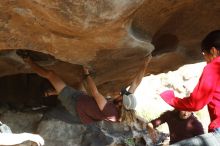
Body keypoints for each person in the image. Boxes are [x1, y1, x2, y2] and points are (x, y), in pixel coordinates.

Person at [18, 50, 151, 125]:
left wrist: (86, 72)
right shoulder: (125, 106)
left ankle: (27, 59)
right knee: (79, 86)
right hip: (85, 105)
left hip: (76, 106)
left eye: (121, 95)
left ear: (120, 103)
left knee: (51, 75)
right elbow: (136, 83)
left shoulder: (110, 109)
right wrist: (146, 62)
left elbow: (94, 92)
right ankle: (54, 92)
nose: (119, 93)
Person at [159, 30, 220, 146]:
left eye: (204, 54)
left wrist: (170, 98)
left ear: (213, 51)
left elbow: (195, 103)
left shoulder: (214, 66)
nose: (206, 60)